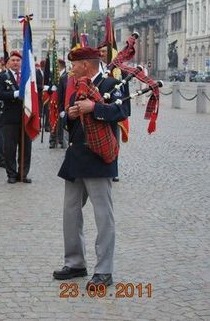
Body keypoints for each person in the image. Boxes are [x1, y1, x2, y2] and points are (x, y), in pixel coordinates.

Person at [53, 46, 129, 289]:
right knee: (70, 213)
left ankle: (104, 271)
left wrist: (94, 108)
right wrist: (72, 114)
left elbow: (122, 110)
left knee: (103, 215)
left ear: (86, 64)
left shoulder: (111, 84)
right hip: (76, 156)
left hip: (99, 157)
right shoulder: (77, 85)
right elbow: (65, 119)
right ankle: (75, 262)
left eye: (74, 64)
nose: (71, 68)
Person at [0, 51, 40, 184]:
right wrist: (15, 93)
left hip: (26, 116)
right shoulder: (2, 76)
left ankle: (23, 173)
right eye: (13, 60)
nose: (15, 62)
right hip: (10, 118)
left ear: (22, 62)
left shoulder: (28, 77)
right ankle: (11, 174)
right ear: (8, 62)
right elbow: (0, 94)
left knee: (26, 148)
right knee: (10, 148)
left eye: (18, 60)